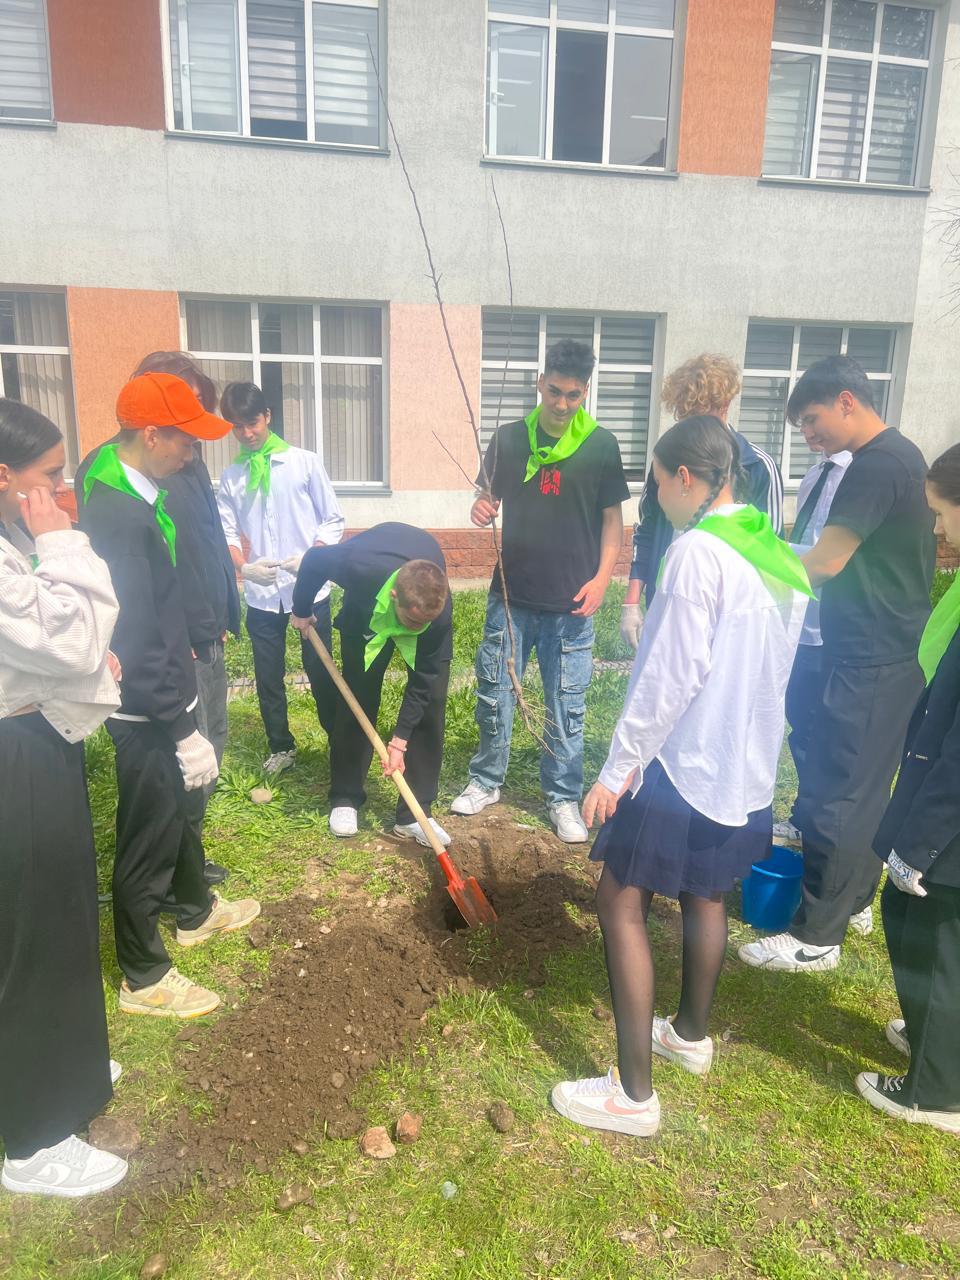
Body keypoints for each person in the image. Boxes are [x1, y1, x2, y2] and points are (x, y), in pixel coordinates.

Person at [550, 416, 809, 1137]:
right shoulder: (775, 553)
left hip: (683, 760)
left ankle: (633, 1095)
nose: (655, 501)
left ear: (686, 478)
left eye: (657, 485)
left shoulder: (697, 553)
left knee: (618, 901)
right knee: (705, 891)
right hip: (744, 766)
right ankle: (689, 1035)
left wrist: (616, 770)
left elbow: (668, 678)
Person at [739, 356, 935, 974]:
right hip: (882, 650)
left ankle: (815, 936)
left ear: (847, 401)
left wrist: (745, 558)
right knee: (859, 789)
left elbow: (824, 563)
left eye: (812, 420)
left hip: (871, 656)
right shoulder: (899, 455)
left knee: (841, 796)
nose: (808, 435)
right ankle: (851, 902)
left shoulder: (876, 466)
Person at [78, 373, 260, 1018]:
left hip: (164, 685)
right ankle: (144, 975)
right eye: (185, 441)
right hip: (144, 705)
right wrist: (181, 726)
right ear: (151, 434)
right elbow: (135, 629)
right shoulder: (119, 513)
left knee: (175, 809)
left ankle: (195, 910)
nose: (192, 454)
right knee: (147, 835)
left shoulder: (132, 485)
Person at [0, 399, 127, 1197]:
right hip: (14, 756)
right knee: (33, 933)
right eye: (49, 477)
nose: (60, 493)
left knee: (59, 913)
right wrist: (60, 539)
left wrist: (80, 668)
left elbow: (53, 646)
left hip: (32, 740)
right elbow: (76, 634)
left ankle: (62, 1059)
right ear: (5, 478)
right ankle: (37, 1135)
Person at [450, 339, 630, 843]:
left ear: (585, 392)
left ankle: (562, 795)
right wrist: (481, 506)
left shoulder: (600, 445)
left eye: (573, 395)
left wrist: (602, 579)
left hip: (572, 602)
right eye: (554, 391)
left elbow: (612, 522)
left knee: (566, 704)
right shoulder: (510, 439)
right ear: (539, 384)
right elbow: (487, 498)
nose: (562, 404)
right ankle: (487, 780)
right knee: (494, 692)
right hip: (511, 596)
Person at [75, 351, 241, 886]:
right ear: (151, 430)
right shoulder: (117, 482)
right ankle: (172, 878)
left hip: (200, 630)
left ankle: (187, 869)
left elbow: (203, 539)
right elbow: (139, 590)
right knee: (182, 757)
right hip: (171, 651)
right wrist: (179, 635)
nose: (194, 447)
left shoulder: (180, 462)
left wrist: (223, 605)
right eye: (187, 425)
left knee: (208, 745)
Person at [856, 444, 960, 1134]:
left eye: (943, 514)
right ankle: (935, 1038)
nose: (939, 531)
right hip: (937, 799)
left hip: (948, 820)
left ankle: (935, 1091)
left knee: (936, 936)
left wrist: (921, 846)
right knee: (913, 921)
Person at [290, 523, 452, 845]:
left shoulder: (436, 614)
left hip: (416, 602)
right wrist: (302, 610)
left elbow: (423, 683)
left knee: (431, 703)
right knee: (358, 696)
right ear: (395, 596)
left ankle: (415, 813)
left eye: (423, 623)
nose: (416, 628)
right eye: (412, 621)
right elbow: (313, 561)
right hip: (367, 610)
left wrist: (399, 742)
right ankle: (345, 797)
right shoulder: (357, 567)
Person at [217, 382, 344, 776]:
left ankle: (338, 741)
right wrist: (243, 568)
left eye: (252, 423)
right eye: (237, 427)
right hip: (262, 593)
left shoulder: (304, 463)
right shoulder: (233, 477)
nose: (246, 433)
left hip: (308, 588)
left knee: (320, 668)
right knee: (267, 674)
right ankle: (281, 745)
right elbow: (225, 532)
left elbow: (333, 519)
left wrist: (311, 557)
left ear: (267, 416)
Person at [620, 353, 784, 649]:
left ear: (724, 405)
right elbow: (648, 528)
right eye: (686, 418)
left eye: (701, 416)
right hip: (667, 597)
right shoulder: (667, 460)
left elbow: (771, 550)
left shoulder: (758, 466)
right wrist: (632, 602)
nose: (692, 428)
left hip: (726, 615)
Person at [773, 439, 852, 846]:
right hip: (801, 623)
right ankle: (803, 817)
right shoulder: (814, 476)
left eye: (811, 420)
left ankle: (820, 824)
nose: (807, 434)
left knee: (825, 732)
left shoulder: (857, 477)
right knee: (801, 724)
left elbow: (835, 558)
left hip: (832, 628)